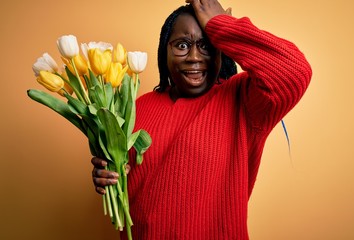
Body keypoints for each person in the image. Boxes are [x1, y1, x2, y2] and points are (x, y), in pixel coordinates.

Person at [91, 0, 312, 239]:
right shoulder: (135, 107)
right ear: (164, 51)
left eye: (206, 45)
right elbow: (130, 181)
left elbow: (295, 71)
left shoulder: (243, 100)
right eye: (182, 45)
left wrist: (223, 25)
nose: (194, 57)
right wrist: (108, 174)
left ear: (220, 50)